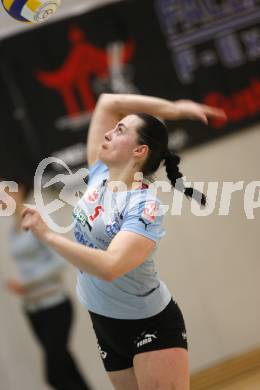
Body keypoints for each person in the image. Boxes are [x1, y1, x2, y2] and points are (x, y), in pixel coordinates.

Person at [21, 94, 226, 390]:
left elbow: (110, 267)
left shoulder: (144, 206)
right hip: (105, 321)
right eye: (114, 127)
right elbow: (107, 102)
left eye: (120, 131)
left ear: (139, 150)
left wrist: (48, 235)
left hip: (148, 324)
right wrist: (176, 109)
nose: (108, 132)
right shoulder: (100, 174)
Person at [6, 181, 92, 390]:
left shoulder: (38, 218)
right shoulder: (12, 229)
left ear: (18, 189)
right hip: (34, 310)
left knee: (55, 376)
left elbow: (60, 262)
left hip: (55, 305)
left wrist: (27, 284)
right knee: (67, 368)